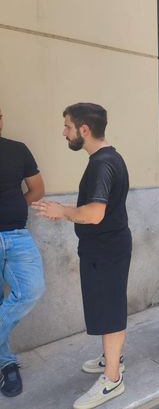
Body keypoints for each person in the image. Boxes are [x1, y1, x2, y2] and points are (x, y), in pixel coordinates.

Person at [33, 103, 130, 409]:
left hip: (107, 250)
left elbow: (95, 213)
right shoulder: (109, 157)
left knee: (110, 313)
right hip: (105, 249)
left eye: (68, 126)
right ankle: (111, 359)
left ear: (84, 129)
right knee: (106, 309)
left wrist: (62, 211)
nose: (64, 132)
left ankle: (112, 379)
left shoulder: (102, 164)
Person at [0, 107, 45, 398]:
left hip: (17, 235)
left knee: (32, 290)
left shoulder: (18, 150)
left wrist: (16, 205)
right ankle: (6, 363)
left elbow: (37, 189)